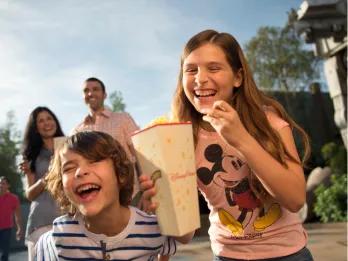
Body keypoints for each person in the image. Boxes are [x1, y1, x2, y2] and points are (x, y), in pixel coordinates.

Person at [140, 29, 314, 261]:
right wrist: (163, 204)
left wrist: (241, 139)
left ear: (238, 77)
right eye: (191, 70)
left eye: (214, 68)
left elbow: (295, 200)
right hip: (226, 256)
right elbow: (185, 235)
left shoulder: (268, 122)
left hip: (288, 254)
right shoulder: (181, 138)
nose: (200, 78)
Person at [36, 131, 193, 260]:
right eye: (69, 168)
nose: (80, 172)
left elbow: (185, 236)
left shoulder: (153, 229)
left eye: (94, 161)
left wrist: (169, 199)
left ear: (121, 174)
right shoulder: (58, 237)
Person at [73, 77, 141, 197]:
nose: (90, 93)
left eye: (95, 89)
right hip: (96, 198)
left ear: (104, 95)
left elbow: (140, 155)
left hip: (131, 194)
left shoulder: (123, 119)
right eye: (86, 91)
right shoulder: (77, 131)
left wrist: (145, 190)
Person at [19, 106, 64, 261]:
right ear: (36, 128)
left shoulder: (69, 146)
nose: (47, 123)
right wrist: (46, 179)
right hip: (41, 222)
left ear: (55, 121)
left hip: (69, 220)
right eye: (41, 121)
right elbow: (30, 194)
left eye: (49, 118)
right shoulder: (31, 155)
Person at [0, 176, 22, 261]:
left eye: (3, 183)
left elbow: (17, 215)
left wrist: (19, 228)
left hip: (6, 229)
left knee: (4, 254)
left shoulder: (13, 198)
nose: (0, 185)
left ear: (8, 185)